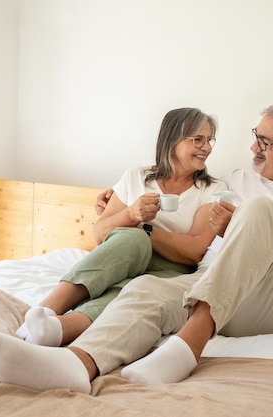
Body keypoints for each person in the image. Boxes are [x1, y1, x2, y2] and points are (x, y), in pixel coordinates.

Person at [0, 102, 273, 394]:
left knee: (260, 211)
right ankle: (77, 363)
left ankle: (189, 345)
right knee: (145, 288)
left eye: (264, 141)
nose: (253, 147)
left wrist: (245, 229)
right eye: (255, 137)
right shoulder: (233, 180)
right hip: (212, 285)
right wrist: (115, 203)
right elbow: (181, 181)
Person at [15, 107, 228, 348]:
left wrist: (145, 229)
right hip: (122, 253)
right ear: (172, 140)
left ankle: (59, 330)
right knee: (131, 240)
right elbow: (99, 234)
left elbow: (196, 250)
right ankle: (44, 310)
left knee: (132, 288)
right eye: (198, 139)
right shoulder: (136, 177)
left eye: (209, 140)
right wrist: (130, 214)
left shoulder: (212, 189)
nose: (207, 148)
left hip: (172, 268)